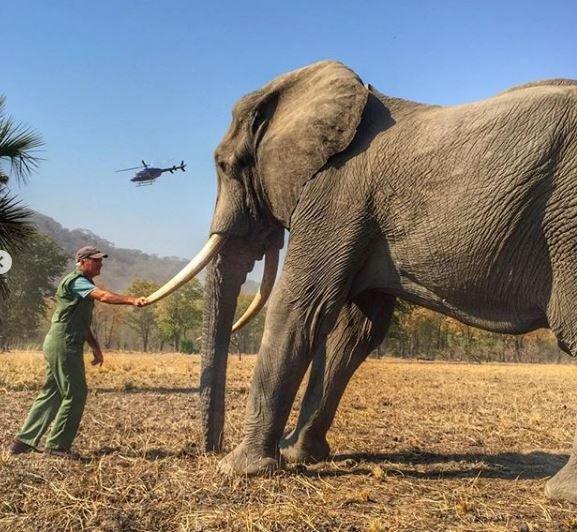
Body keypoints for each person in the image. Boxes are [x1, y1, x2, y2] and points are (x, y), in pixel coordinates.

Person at [10, 246, 148, 457]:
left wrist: (96, 348)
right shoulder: (76, 282)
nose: (100, 264)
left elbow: (82, 324)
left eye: (101, 260)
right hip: (63, 343)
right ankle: (57, 446)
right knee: (75, 393)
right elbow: (103, 296)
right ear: (82, 261)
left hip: (61, 342)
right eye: (96, 260)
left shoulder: (84, 284)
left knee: (53, 392)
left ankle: (23, 442)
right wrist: (132, 299)